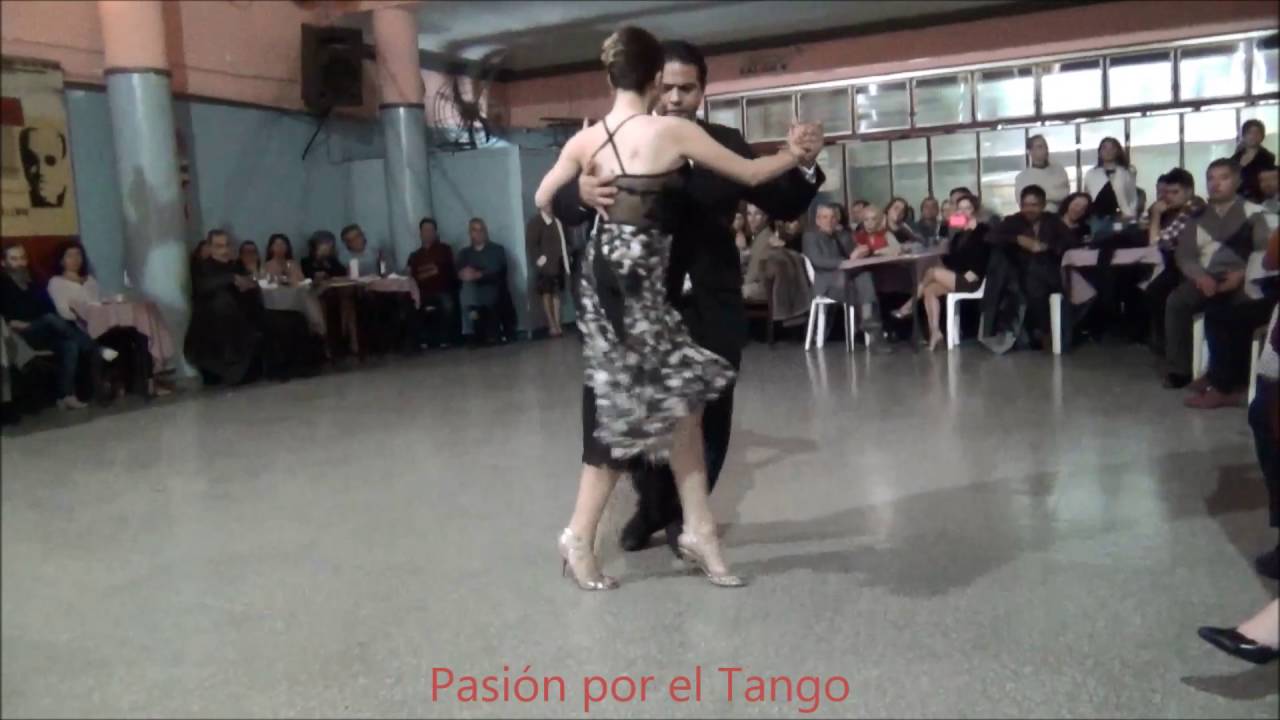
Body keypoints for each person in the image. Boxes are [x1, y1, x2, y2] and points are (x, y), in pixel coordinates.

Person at [535, 26, 820, 590]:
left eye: (686, 89)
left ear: (702, 90)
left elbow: (543, 198)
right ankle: (587, 531)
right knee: (626, 413)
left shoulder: (600, 137)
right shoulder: (658, 134)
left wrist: (803, 164)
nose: (674, 98)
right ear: (650, 81)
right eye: (666, 86)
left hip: (647, 290)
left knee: (686, 410)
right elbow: (558, 202)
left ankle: (696, 528)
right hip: (640, 295)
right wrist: (583, 195)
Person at [1162, 159, 1271, 389]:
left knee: (1237, 309)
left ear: (1237, 180)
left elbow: (1264, 253)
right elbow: (1185, 254)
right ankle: (1179, 370)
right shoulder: (1195, 216)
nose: (1215, 184)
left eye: (1224, 177)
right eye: (1211, 178)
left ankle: (1229, 377)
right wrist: (1200, 277)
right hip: (1205, 276)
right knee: (1176, 302)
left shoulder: (1254, 213)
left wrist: (1242, 274)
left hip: (1243, 278)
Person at [46, 242, 168, 398]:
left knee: (140, 332)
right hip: (80, 328)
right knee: (108, 340)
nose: (75, 259)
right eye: (70, 256)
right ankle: (110, 383)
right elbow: (63, 312)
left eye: (78, 255)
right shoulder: (56, 282)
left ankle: (148, 383)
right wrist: (81, 311)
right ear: (61, 260)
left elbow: (98, 302)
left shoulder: (90, 280)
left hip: (102, 324)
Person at [0, 241, 112, 409]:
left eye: (23, 258)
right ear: (3, 263)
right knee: (50, 318)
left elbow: (48, 307)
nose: (20, 263)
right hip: (18, 334)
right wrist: (12, 322)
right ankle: (94, 348)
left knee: (70, 345)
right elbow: (6, 317)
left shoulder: (33, 282)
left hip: (43, 330)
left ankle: (65, 396)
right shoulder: (3, 286)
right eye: (14, 259)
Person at [893, 194, 989, 350]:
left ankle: (909, 305)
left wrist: (975, 271)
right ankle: (935, 333)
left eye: (968, 208)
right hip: (957, 276)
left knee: (931, 272)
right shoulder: (958, 235)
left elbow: (985, 255)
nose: (963, 212)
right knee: (929, 290)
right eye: (960, 209)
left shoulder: (983, 229)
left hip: (973, 278)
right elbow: (952, 259)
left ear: (975, 210)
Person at [989, 184, 1076, 349]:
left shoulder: (1052, 221)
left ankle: (1045, 331)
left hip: (1050, 271)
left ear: (1043, 205)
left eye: (1034, 205)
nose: (1029, 209)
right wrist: (1018, 239)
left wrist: (1047, 246)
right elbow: (991, 237)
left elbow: (1070, 241)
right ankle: (1042, 331)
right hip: (1019, 273)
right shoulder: (1013, 221)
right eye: (1025, 205)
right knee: (1032, 280)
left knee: (1040, 278)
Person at [185, 229, 264, 385]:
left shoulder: (236, 265)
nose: (224, 250)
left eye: (226, 245)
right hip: (210, 324)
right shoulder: (202, 266)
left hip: (239, 321)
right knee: (222, 302)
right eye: (219, 246)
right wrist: (231, 278)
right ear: (210, 247)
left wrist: (248, 286)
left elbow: (250, 285)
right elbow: (203, 286)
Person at [804, 203, 885, 350]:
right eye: (825, 217)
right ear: (817, 220)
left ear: (837, 220)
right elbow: (818, 261)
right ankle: (871, 329)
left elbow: (853, 254)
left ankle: (868, 326)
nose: (829, 221)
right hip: (825, 282)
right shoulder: (810, 236)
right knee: (861, 287)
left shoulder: (840, 236)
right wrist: (845, 262)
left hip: (845, 279)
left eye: (833, 217)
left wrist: (863, 251)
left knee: (865, 276)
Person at [1143, 169, 1197, 355]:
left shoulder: (1192, 209)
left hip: (1191, 268)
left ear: (1189, 191)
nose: (1169, 197)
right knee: (1151, 289)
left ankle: (1169, 346)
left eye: (1175, 192)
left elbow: (1155, 242)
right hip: (1179, 264)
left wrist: (1156, 214)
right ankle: (1164, 343)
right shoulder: (1178, 210)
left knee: (1157, 291)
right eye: (1167, 193)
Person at [304, 230, 359, 357]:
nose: (329, 247)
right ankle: (326, 343)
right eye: (326, 244)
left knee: (348, 300)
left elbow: (342, 274)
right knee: (321, 303)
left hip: (336, 293)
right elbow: (307, 280)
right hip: (318, 295)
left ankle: (352, 339)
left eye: (330, 244)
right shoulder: (306, 262)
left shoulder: (333, 261)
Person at [455, 218, 508, 346]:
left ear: (485, 231)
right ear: (470, 233)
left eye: (481, 230)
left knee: (472, 289)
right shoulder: (464, 253)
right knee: (467, 288)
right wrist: (467, 274)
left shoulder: (496, 250)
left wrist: (478, 274)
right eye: (474, 230)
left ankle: (474, 330)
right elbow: (459, 271)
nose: (478, 233)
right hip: (472, 290)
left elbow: (497, 271)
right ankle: (472, 330)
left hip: (491, 288)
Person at [407, 217, 458, 348]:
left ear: (435, 232)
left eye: (431, 230)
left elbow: (444, 270)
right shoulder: (415, 255)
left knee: (447, 304)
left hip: (442, 289)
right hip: (422, 291)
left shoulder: (444, 249)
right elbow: (411, 275)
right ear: (420, 233)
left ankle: (445, 338)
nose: (428, 233)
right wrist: (431, 270)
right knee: (410, 304)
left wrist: (425, 272)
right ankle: (422, 339)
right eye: (425, 230)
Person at [1083, 137, 1138, 224]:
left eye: (1112, 148)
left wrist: (1130, 213)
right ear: (1099, 152)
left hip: (1122, 217)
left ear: (1118, 151)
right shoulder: (1091, 174)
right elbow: (1087, 196)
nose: (1108, 151)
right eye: (1104, 148)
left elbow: (1132, 196)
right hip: (1097, 218)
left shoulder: (1126, 172)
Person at [1016, 134, 1071, 213]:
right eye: (1040, 146)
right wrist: (1051, 195)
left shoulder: (1059, 170)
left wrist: (1042, 196)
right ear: (1031, 151)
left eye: (1046, 146)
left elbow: (1064, 194)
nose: (1045, 149)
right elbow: (1024, 203)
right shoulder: (1022, 177)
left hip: (1060, 216)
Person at [1232, 119, 1277, 204]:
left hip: (1258, 201)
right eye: (1249, 133)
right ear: (1244, 136)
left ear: (1262, 136)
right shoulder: (1235, 158)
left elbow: (1269, 185)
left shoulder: (1268, 157)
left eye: (1257, 133)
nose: (1253, 136)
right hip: (1236, 202)